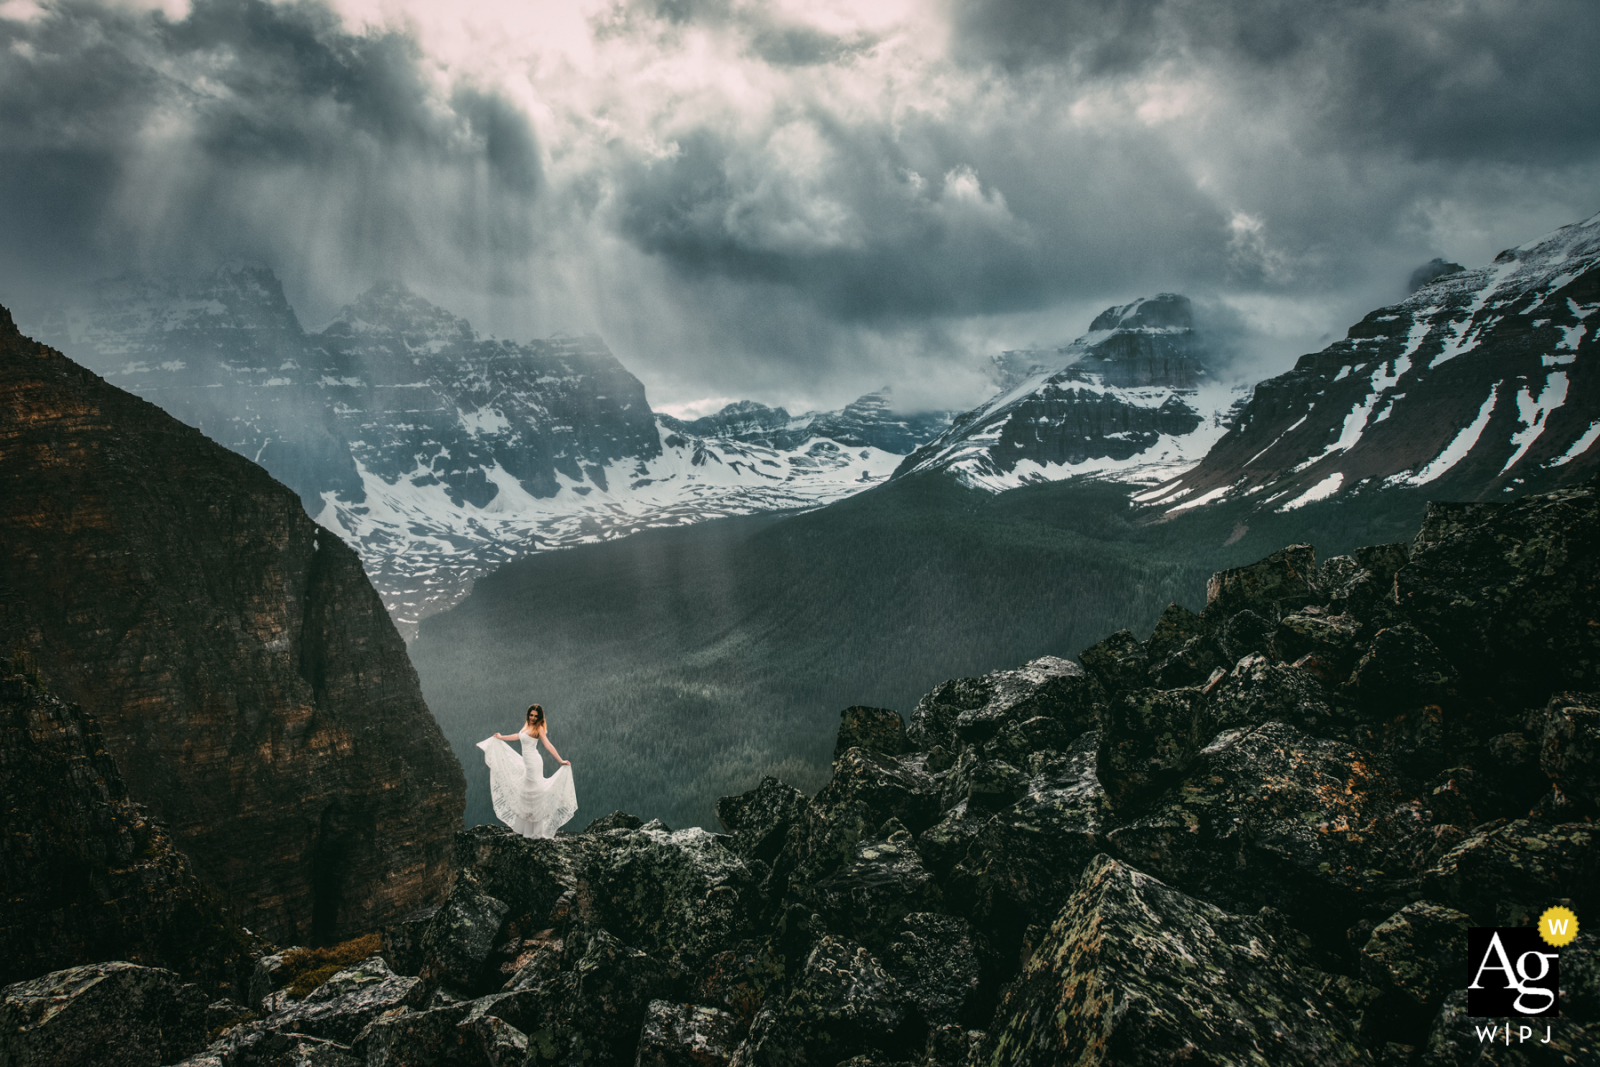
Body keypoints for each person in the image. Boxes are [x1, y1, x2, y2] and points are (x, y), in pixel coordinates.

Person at [476, 703, 578, 839]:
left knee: (535, 794)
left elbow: (548, 745)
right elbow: (518, 736)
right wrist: (501, 737)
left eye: (536, 716)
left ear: (540, 717)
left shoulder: (539, 728)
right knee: (526, 793)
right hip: (527, 764)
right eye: (531, 715)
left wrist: (560, 761)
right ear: (528, 715)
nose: (533, 718)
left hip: (534, 764)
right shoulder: (527, 725)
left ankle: (536, 832)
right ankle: (526, 829)